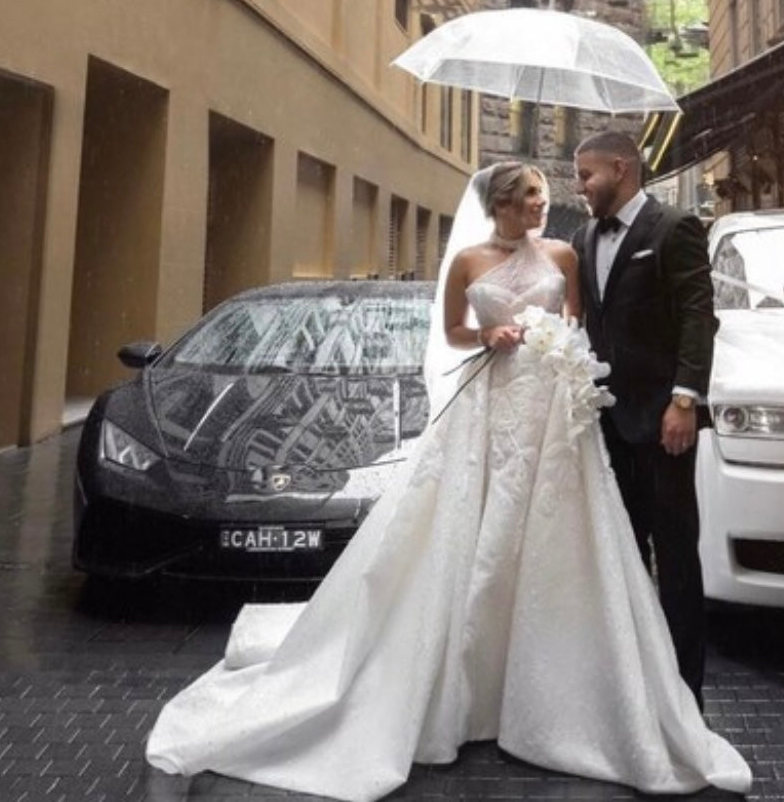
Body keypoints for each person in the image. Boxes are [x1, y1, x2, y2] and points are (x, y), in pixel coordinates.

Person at [146, 161, 751, 802]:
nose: (542, 204)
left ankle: (560, 684)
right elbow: (453, 332)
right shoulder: (466, 261)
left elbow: (579, 325)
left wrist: (565, 351)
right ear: (501, 204)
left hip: (553, 412)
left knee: (558, 536)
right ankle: (466, 679)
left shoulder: (564, 254)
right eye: (530, 197)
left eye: (544, 195)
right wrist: (488, 333)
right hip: (492, 404)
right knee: (477, 527)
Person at [573, 130, 717, 707]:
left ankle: (686, 697)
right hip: (605, 427)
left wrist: (684, 401)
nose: (580, 187)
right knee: (624, 556)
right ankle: (634, 693)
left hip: (663, 425)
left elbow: (697, 316)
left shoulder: (674, 227)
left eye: (586, 175)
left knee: (676, 556)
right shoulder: (583, 236)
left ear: (620, 167)